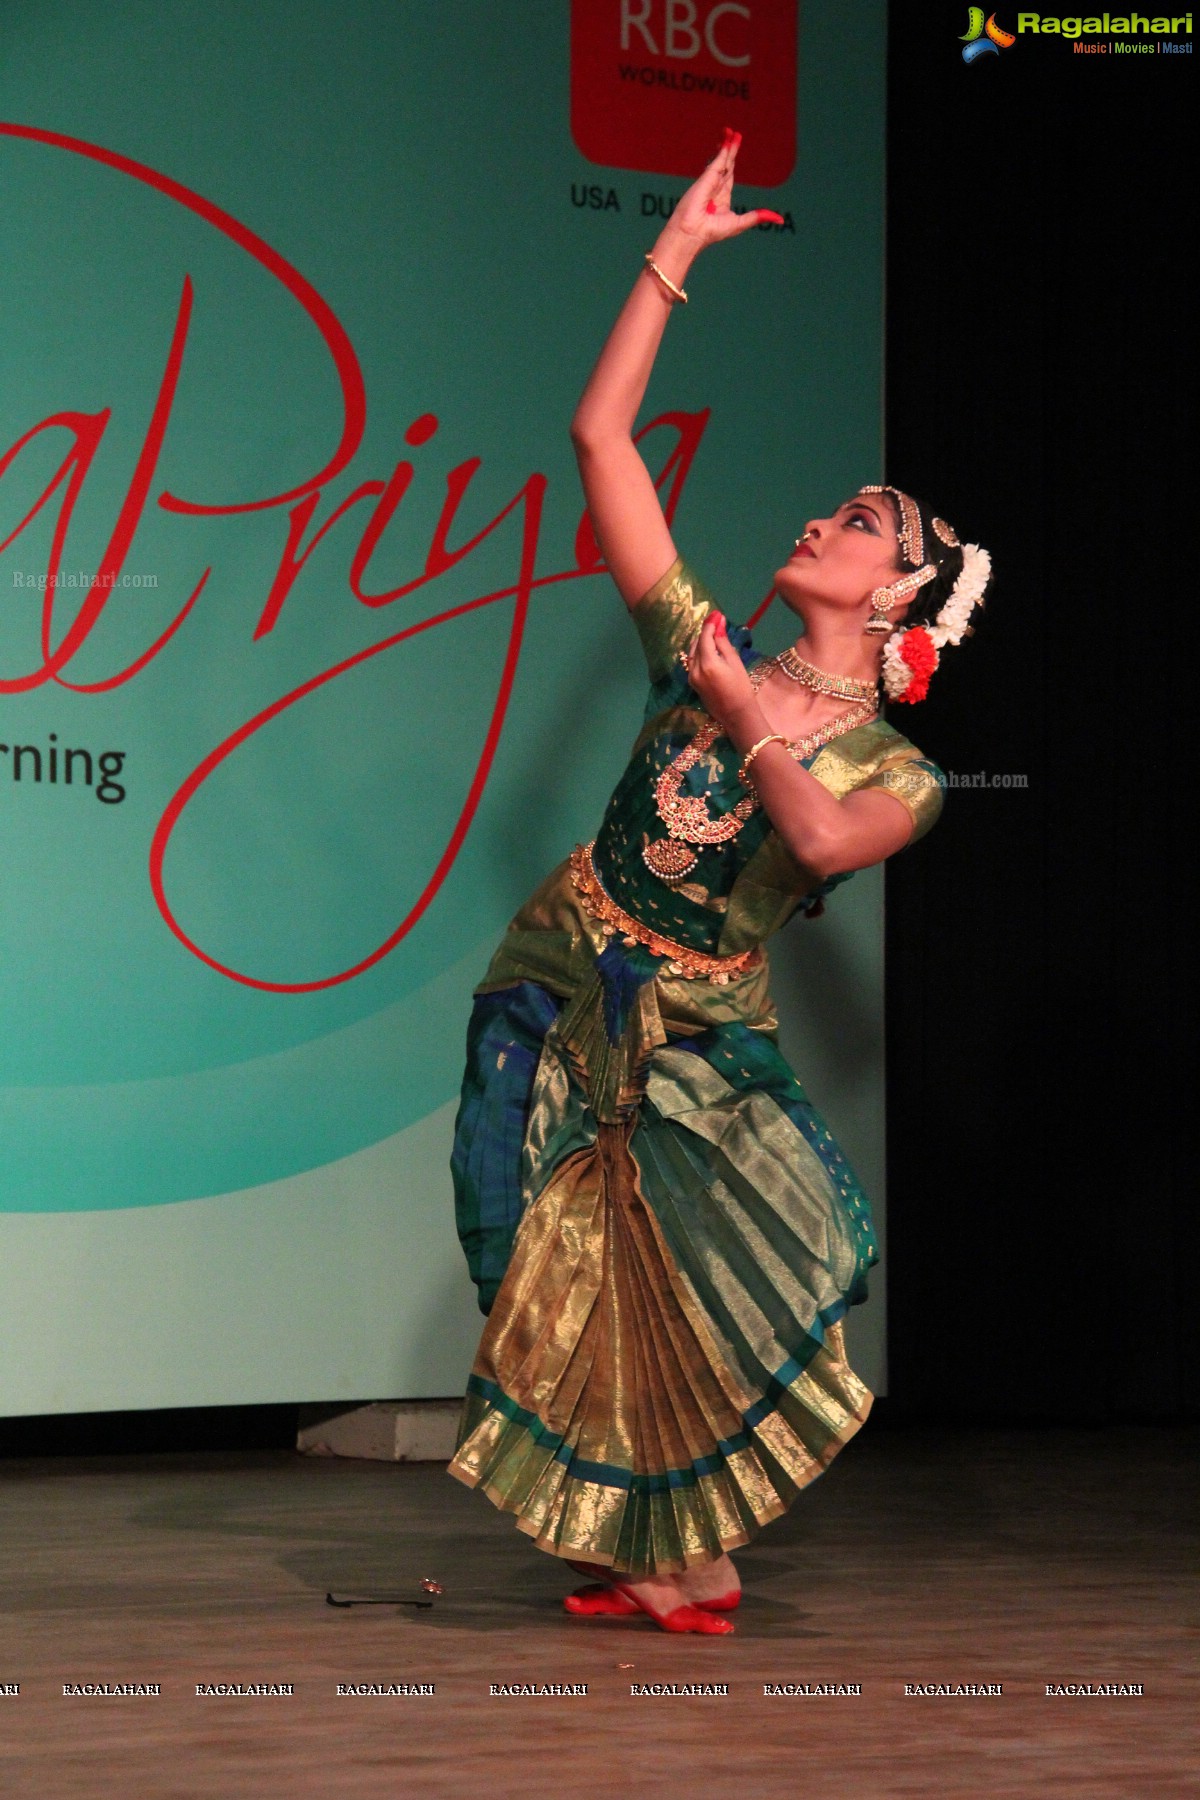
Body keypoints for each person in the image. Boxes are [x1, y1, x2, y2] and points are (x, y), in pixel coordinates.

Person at [447, 130, 991, 1634]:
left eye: (864, 523)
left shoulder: (900, 777)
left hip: (694, 1040)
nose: (826, 517)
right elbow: (602, 440)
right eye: (838, 506)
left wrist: (751, 717)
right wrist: (670, 258)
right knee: (541, 1259)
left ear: (895, 600)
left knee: (685, 1288)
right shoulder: (698, 643)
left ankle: (690, 1551)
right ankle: (654, 1544)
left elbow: (815, 846)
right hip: (558, 979)